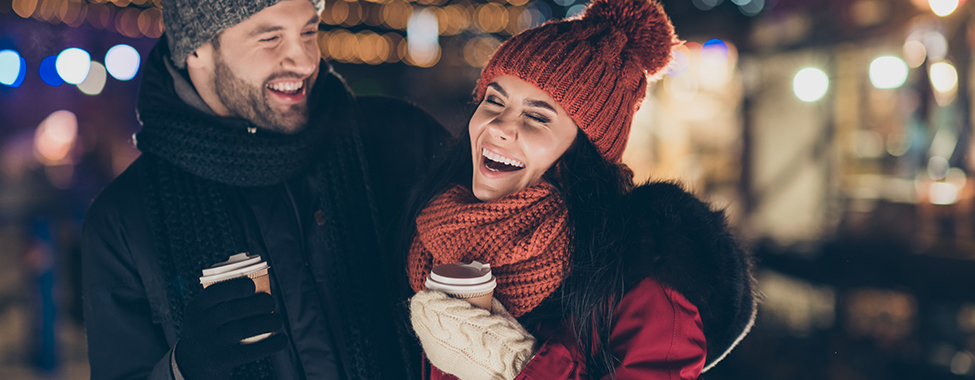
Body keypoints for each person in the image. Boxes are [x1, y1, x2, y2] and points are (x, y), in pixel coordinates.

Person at [80, 0, 449, 379]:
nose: (305, 61)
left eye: (309, 31)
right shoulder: (124, 219)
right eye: (270, 37)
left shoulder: (403, 139)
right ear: (196, 48)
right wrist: (180, 370)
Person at [403, 0, 757, 378]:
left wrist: (509, 362)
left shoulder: (643, 279)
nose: (499, 126)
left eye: (537, 116)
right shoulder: (429, 230)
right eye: (494, 100)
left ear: (582, 150)